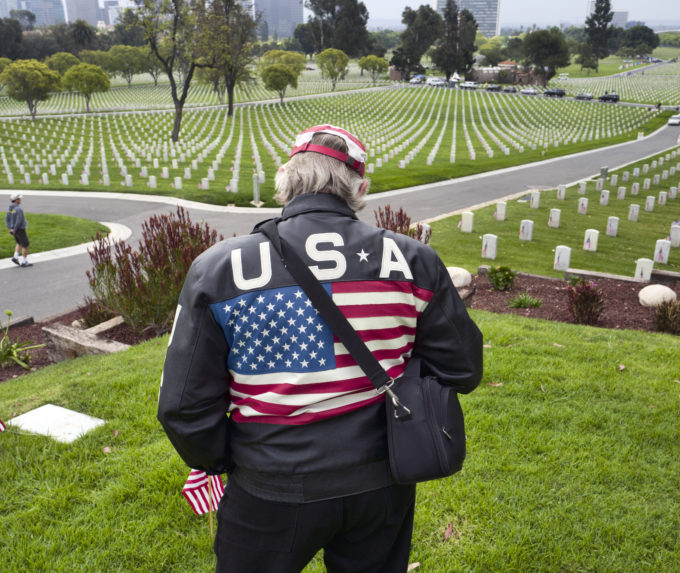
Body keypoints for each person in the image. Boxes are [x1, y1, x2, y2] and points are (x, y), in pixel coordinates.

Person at [158, 125, 483, 572]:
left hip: (268, 482)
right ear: (360, 189)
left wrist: (228, 460)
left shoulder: (217, 269)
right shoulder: (413, 261)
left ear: (284, 180)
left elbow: (182, 406)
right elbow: (462, 369)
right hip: (381, 480)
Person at [6, 193, 32, 267]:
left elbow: (7, 219)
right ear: (16, 200)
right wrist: (14, 229)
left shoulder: (10, 209)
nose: (20, 200)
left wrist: (11, 228)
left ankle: (15, 257)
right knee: (25, 245)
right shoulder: (18, 209)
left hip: (14, 229)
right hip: (20, 229)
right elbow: (19, 220)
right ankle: (24, 262)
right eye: (19, 199)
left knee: (19, 242)